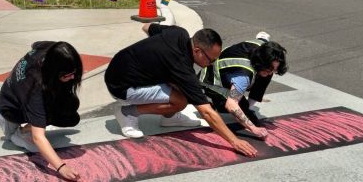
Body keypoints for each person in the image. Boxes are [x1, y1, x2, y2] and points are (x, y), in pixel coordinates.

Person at [104, 24, 257, 157]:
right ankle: (128, 112)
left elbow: (147, 27)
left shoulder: (178, 33)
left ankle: (169, 118)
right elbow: (207, 112)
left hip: (117, 68)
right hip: (122, 87)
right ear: (197, 50)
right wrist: (234, 141)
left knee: (183, 89)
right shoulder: (181, 66)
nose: (212, 64)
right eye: (211, 60)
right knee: (181, 100)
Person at [0, 41, 84, 181]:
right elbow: (38, 138)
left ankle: (32, 124)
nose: (73, 77)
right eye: (67, 75)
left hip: (26, 98)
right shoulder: (33, 88)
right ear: (53, 71)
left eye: (74, 72)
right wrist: (62, 167)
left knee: (71, 114)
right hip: (10, 112)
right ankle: (15, 134)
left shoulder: (51, 49)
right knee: (36, 147)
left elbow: (35, 44)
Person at [199, 32, 288, 139]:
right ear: (260, 62)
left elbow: (264, 43)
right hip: (210, 82)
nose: (272, 72)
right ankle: (210, 100)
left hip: (230, 71)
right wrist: (253, 128)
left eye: (275, 69)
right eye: (269, 69)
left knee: (265, 75)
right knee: (242, 112)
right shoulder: (243, 76)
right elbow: (231, 105)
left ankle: (248, 107)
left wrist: (270, 70)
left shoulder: (262, 46)